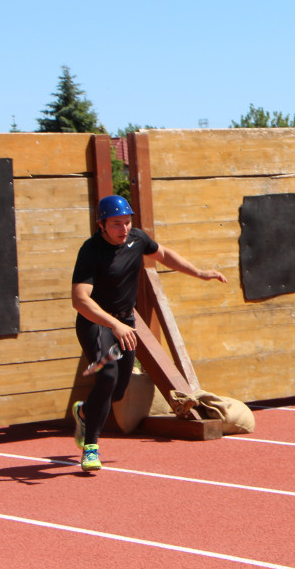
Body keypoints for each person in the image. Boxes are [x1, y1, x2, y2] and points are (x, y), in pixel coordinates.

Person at [70, 195, 227, 471]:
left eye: (127, 222)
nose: (124, 229)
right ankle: (91, 448)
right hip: (97, 323)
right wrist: (113, 325)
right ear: (101, 224)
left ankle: (84, 411)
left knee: (117, 393)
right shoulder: (91, 250)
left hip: (125, 324)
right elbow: (80, 300)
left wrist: (200, 273)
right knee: (106, 377)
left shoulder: (138, 240)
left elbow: (163, 254)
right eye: (117, 224)